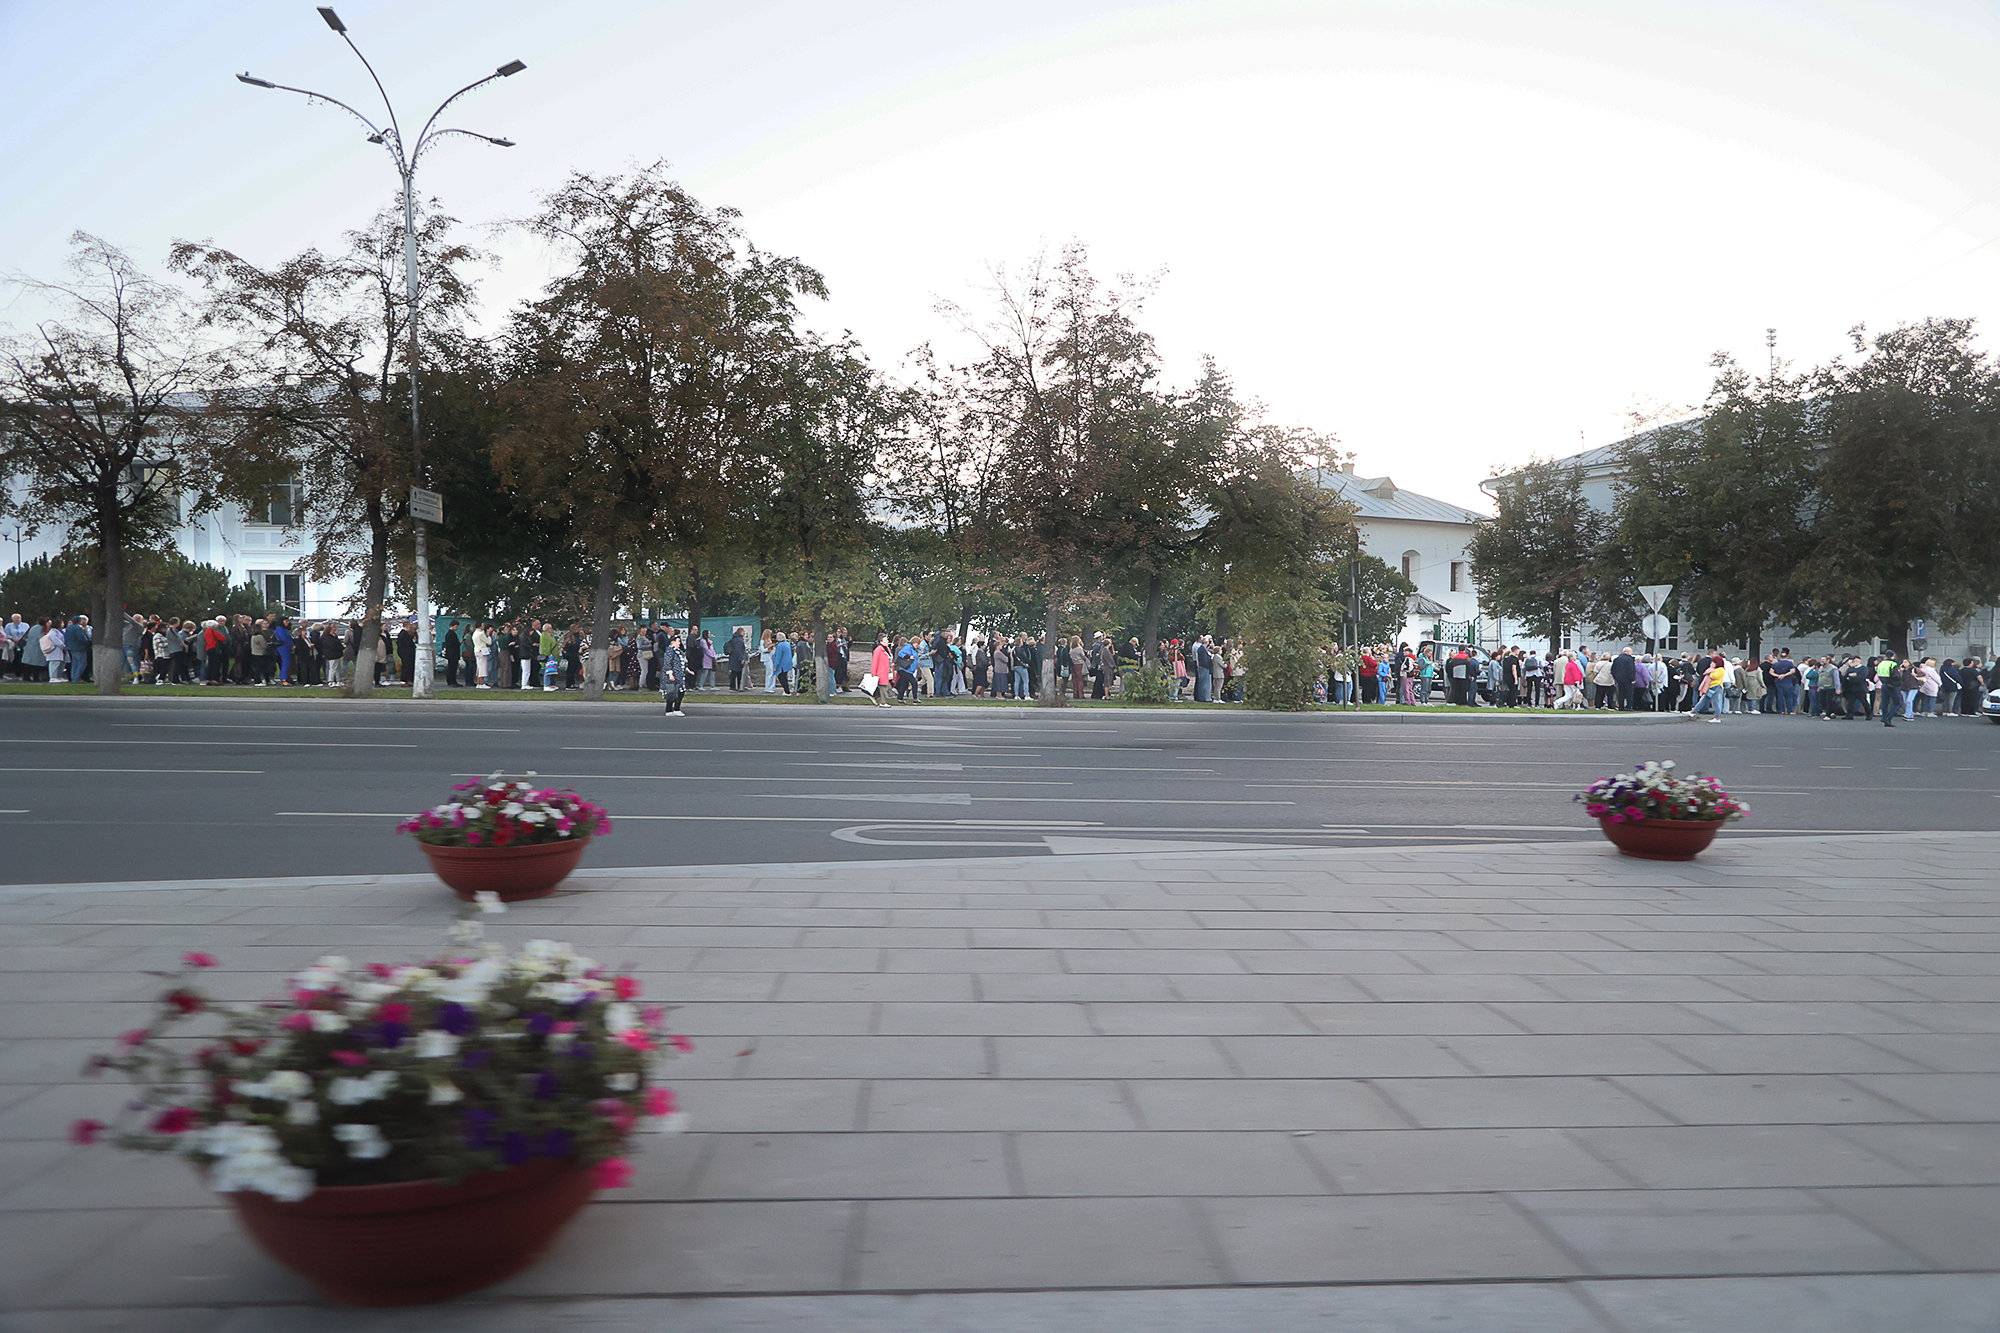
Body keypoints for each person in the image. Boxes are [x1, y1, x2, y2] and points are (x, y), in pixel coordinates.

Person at [658, 629, 687, 716]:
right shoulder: (670, 651)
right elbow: (667, 663)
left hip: (679, 675)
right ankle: (671, 709)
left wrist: (687, 669)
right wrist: (670, 674)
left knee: (679, 691)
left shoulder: (677, 651)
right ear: (672, 642)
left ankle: (674, 708)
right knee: (672, 692)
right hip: (673, 675)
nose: (679, 643)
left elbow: (681, 662)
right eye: (678, 641)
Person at [725, 627, 749, 692]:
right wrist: (741, 659)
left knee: (735, 672)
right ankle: (734, 686)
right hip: (736, 659)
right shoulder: (738, 640)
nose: (744, 633)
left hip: (734, 658)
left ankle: (736, 686)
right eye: (743, 632)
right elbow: (738, 650)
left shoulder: (735, 639)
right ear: (740, 632)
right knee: (736, 673)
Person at [442, 621, 461, 688]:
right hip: (452, 654)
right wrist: (459, 643)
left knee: (453, 668)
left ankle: (453, 681)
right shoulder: (450, 634)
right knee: (452, 668)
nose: (457, 628)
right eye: (456, 626)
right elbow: (451, 644)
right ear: (452, 626)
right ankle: (451, 681)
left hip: (452, 654)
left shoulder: (451, 634)